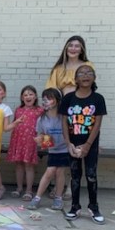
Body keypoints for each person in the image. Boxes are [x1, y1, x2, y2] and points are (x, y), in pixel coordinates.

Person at [46, 35, 94, 200]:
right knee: (60, 147)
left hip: (80, 111)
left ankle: (70, 187)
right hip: (62, 109)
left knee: (75, 146)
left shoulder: (87, 66)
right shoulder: (59, 68)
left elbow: (90, 86)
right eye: (70, 45)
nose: (73, 48)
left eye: (77, 46)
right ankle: (57, 185)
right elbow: (51, 90)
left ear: (82, 49)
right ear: (66, 48)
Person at [59, 65, 107, 223]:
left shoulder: (98, 99)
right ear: (76, 79)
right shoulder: (68, 98)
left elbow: (97, 124)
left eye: (89, 73)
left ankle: (93, 207)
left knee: (91, 175)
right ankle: (75, 207)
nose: (85, 75)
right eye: (81, 73)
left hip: (90, 144)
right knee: (75, 176)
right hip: (73, 144)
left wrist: (87, 145)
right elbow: (64, 122)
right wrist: (68, 143)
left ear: (94, 77)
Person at [26, 88, 68, 211]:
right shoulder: (41, 119)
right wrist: (40, 140)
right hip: (53, 150)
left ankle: (58, 198)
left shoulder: (64, 116)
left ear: (57, 100)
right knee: (50, 171)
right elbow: (41, 135)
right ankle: (37, 198)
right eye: (45, 98)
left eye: (50, 98)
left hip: (65, 149)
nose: (47, 101)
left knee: (60, 172)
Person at [6, 85, 43, 200]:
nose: (28, 97)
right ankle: (19, 188)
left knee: (29, 165)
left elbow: (44, 126)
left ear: (35, 96)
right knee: (18, 165)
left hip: (30, 141)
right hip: (18, 140)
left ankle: (29, 190)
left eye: (31, 94)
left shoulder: (39, 110)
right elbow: (14, 124)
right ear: (22, 98)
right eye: (25, 95)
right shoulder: (18, 109)